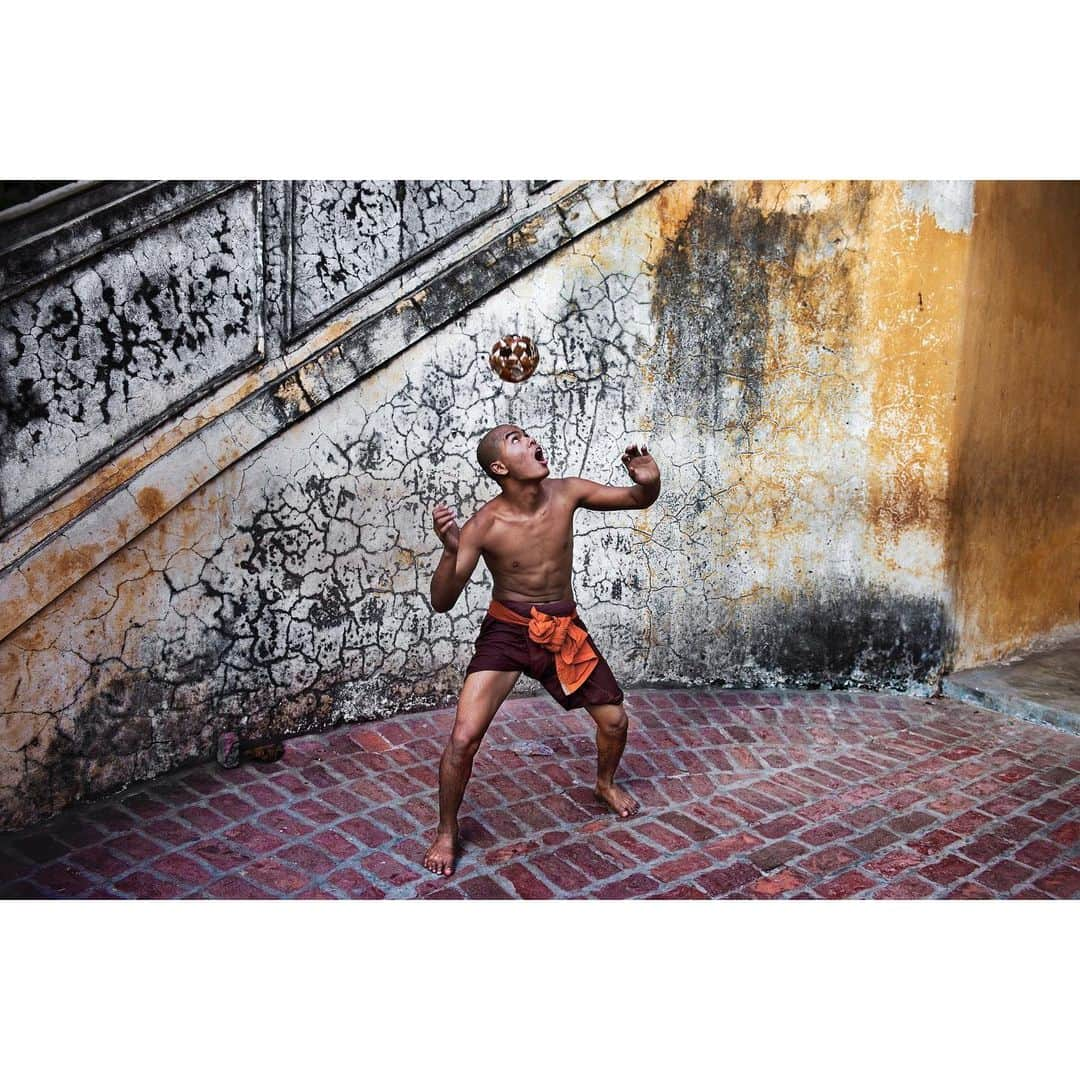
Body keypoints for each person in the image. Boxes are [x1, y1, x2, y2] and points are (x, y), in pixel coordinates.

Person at [422, 424, 661, 876]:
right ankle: (447, 830)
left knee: (615, 719)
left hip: (562, 629)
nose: (531, 441)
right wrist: (450, 550)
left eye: (529, 435)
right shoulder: (484, 525)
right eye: (517, 439)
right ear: (499, 466)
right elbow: (442, 601)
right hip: (508, 633)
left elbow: (636, 499)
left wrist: (649, 481)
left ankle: (604, 783)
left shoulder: (567, 492)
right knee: (462, 738)